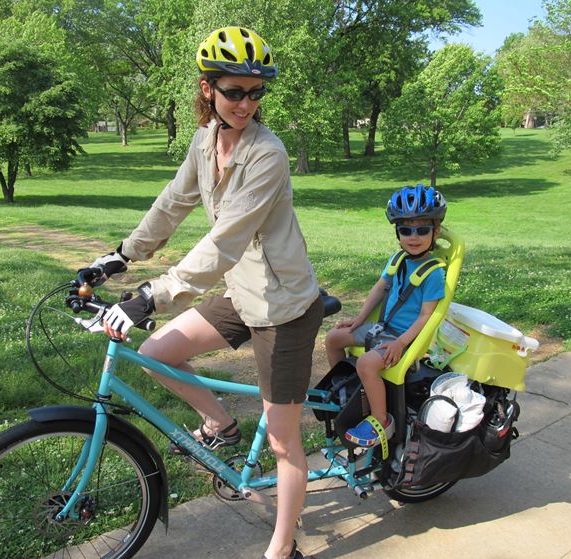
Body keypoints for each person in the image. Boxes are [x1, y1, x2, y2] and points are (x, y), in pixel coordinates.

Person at [86, 26, 321, 559]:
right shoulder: (203, 142)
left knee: (285, 442)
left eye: (256, 92)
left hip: (283, 308)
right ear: (207, 89)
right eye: (235, 91)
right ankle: (219, 424)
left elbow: (225, 239)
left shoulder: (268, 155)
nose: (246, 103)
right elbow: (172, 204)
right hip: (242, 294)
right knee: (156, 354)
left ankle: (282, 548)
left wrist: (152, 295)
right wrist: (121, 255)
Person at [324, 184, 447, 447]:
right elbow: (379, 289)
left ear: (435, 231)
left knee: (366, 363)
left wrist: (401, 343)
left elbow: (427, 316)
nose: (413, 237)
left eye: (422, 230)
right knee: (333, 338)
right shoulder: (397, 259)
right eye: (405, 230)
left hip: (405, 340)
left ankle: (381, 423)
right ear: (397, 232)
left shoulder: (434, 272)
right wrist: (359, 320)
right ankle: (348, 393)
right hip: (382, 328)